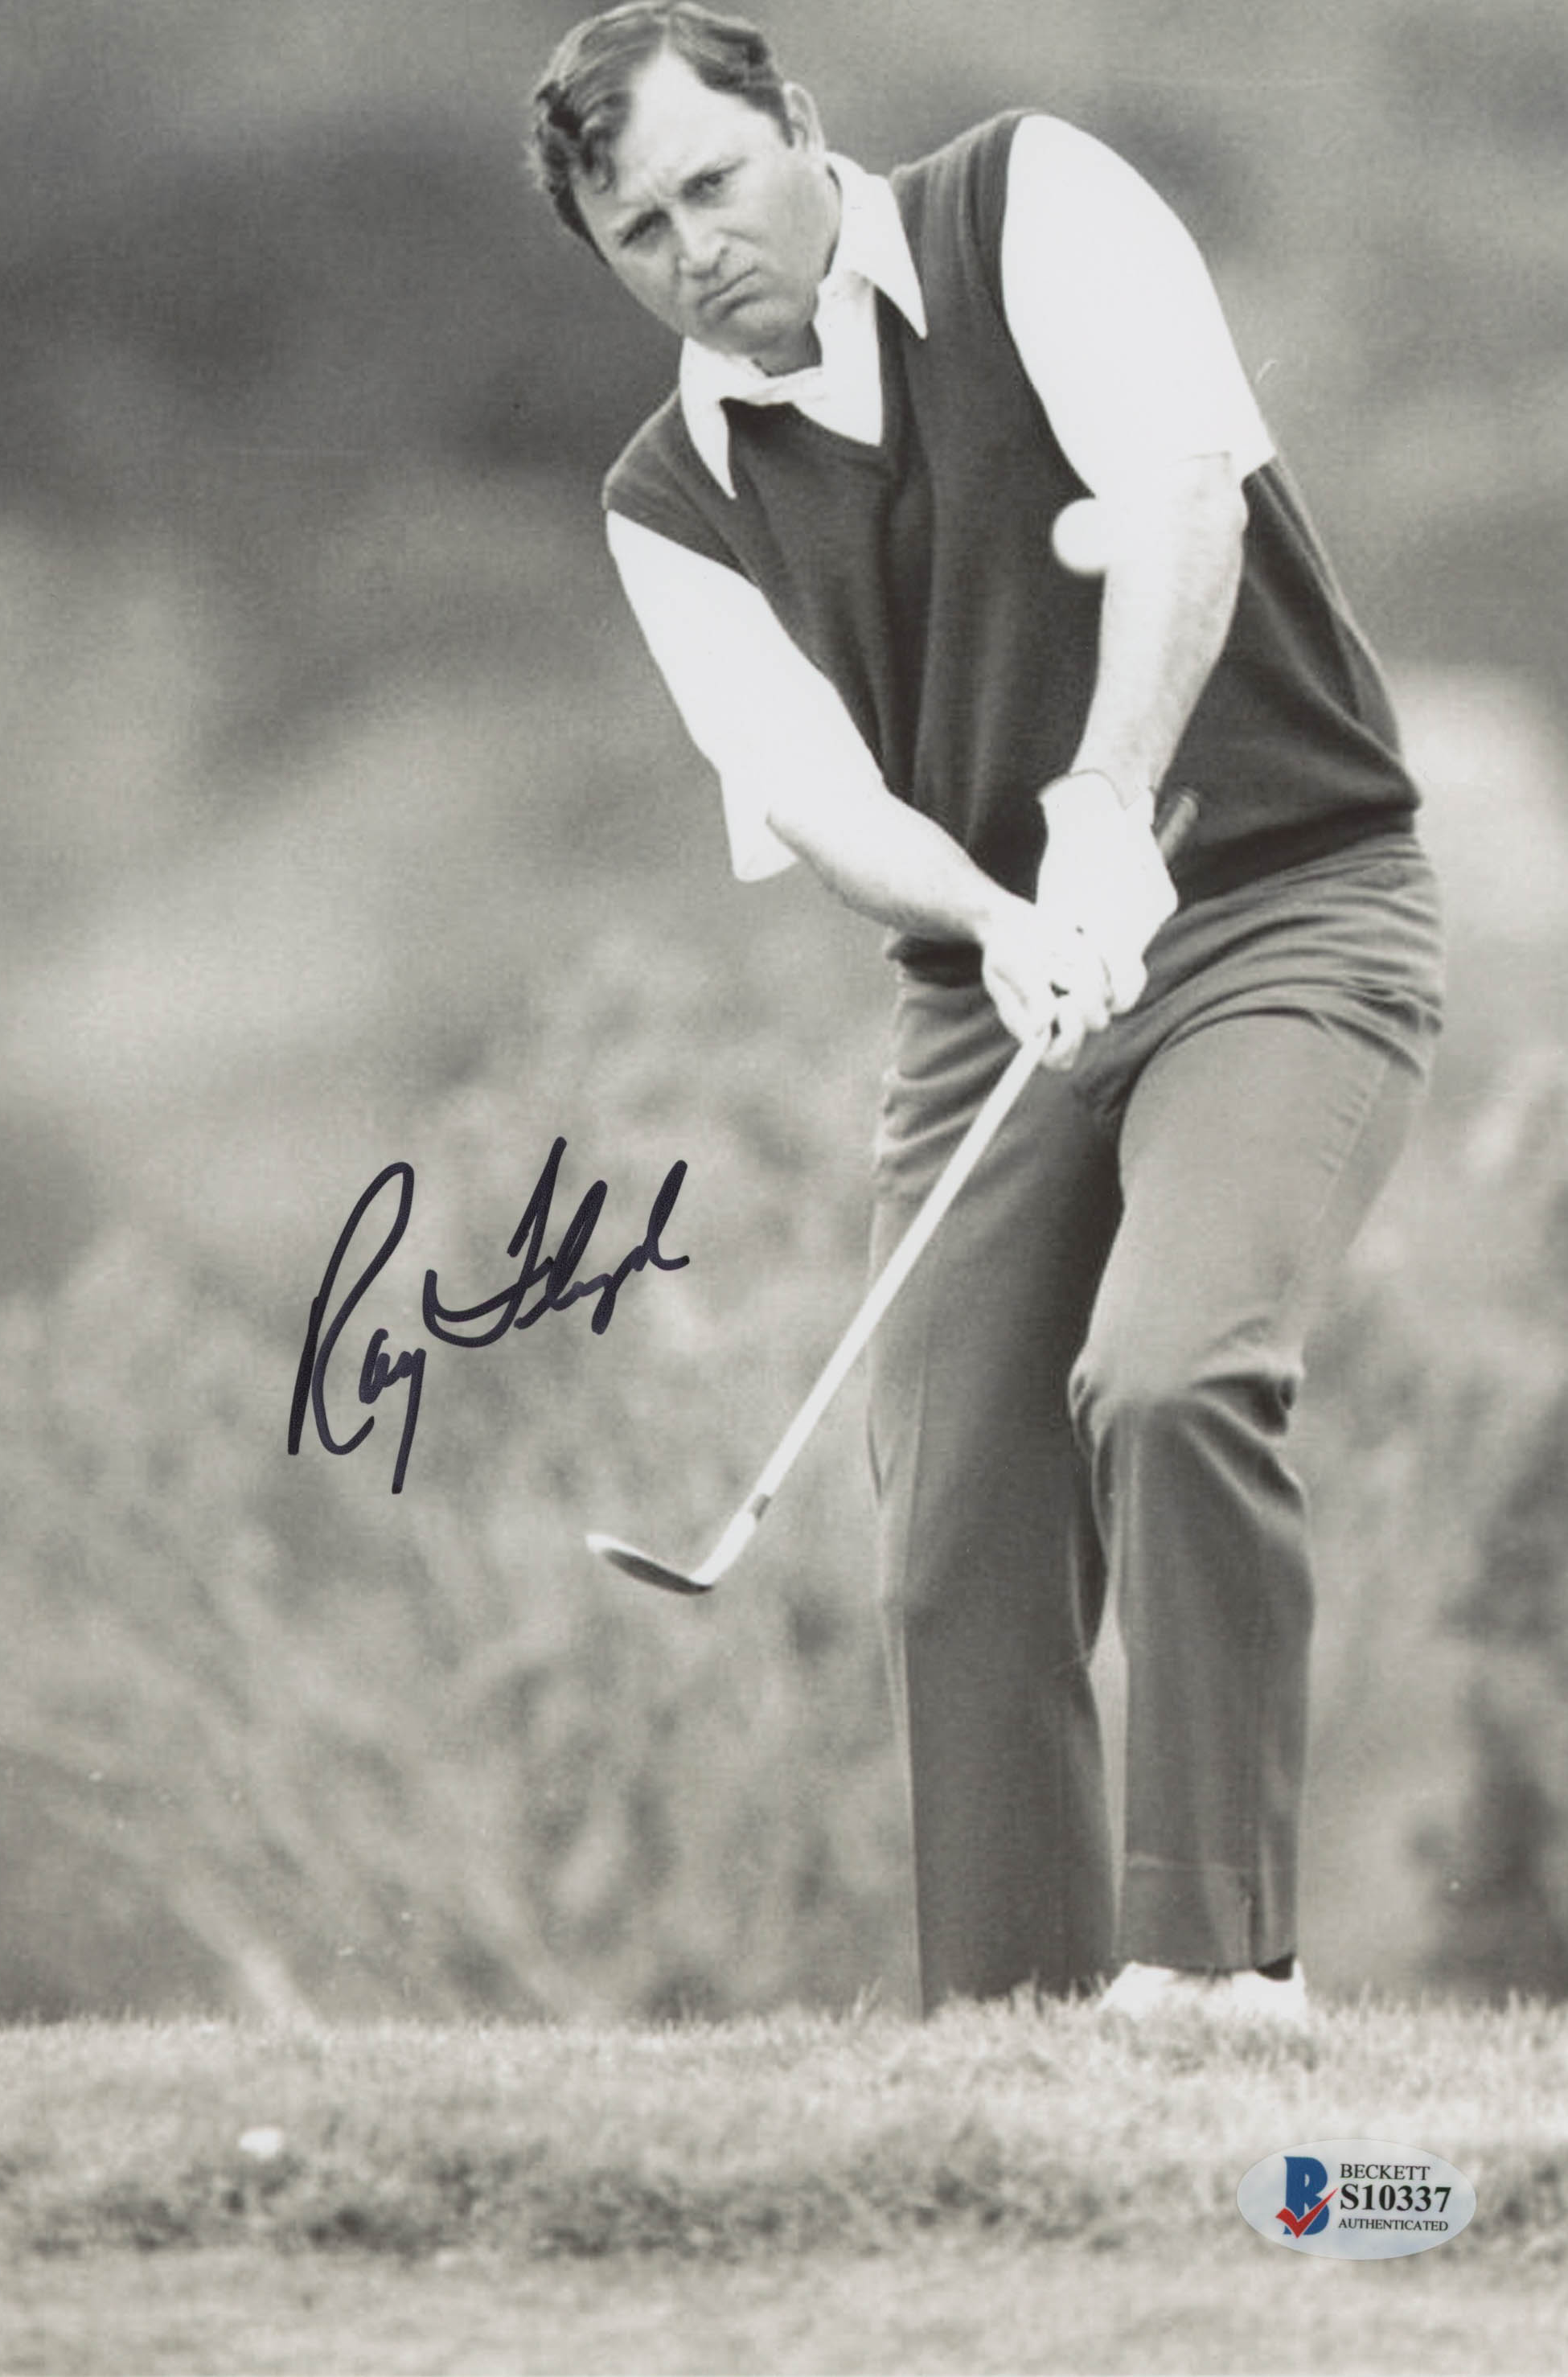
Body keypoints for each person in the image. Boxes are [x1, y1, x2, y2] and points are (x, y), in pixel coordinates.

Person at [526, 3, 1444, 2021]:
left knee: (1173, 1375)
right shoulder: (670, 497)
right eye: (642, 232)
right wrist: (1000, 911)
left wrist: (1106, 802)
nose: (698, 248)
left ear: (798, 124)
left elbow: (1184, 501)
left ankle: (1218, 1974)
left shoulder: (1031, 204)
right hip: (992, 993)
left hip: (1286, 904)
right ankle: (1010, 2045)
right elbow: (815, 794)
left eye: (714, 183)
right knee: (955, 1537)